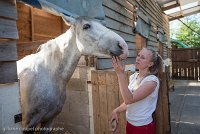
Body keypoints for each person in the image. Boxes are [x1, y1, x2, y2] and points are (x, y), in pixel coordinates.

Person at [110, 47, 163, 134]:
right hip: (130, 123)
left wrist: (120, 74)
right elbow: (130, 102)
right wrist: (116, 110)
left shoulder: (152, 81)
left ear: (150, 64)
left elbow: (129, 99)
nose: (138, 58)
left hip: (143, 127)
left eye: (142, 57)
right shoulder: (134, 77)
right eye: (138, 55)